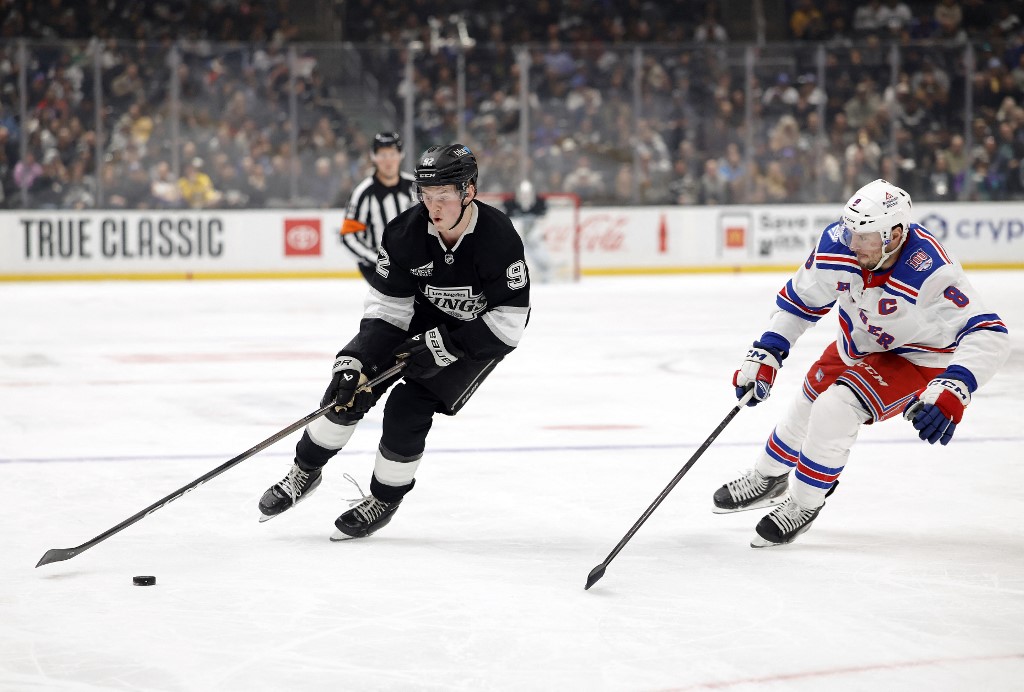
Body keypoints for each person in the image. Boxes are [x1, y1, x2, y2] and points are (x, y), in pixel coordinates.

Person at [713, 179, 1009, 547]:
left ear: (896, 234)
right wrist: (769, 350)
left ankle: (804, 503)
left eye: (866, 236)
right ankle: (768, 476)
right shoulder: (840, 244)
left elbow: (990, 331)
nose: (854, 243)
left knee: (834, 409)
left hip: (916, 356)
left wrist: (956, 386)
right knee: (807, 403)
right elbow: (802, 300)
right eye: (852, 232)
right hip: (859, 341)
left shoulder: (930, 270)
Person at [258, 143, 531, 539]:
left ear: (468, 191)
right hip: (418, 319)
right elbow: (388, 310)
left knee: (408, 406)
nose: (432, 207)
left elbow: (508, 324)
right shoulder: (404, 233)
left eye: (443, 197)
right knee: (348, 392)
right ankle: (304, 471)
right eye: (426, 196)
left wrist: (445, 347)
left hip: (476, 335)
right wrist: (355, 360)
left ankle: (384, 498)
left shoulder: (498, 237)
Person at [339, 132, 416, 282]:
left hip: (414, 264)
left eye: (392, 154)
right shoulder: (363, 193)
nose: (388, 160)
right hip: (377, 269)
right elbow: (349, 236)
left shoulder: (416, 186)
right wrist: (378, 261)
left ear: (401, 155)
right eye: (382, 155)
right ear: (373, 157)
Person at [504, 179, 553, 282]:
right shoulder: (510, 204)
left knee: (540, 255)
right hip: (518, 238)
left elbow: (544, 219)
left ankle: (544, 273)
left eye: (527, 194)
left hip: (533, 239)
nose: (525, 196)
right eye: (522, 194)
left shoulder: (540, 204)